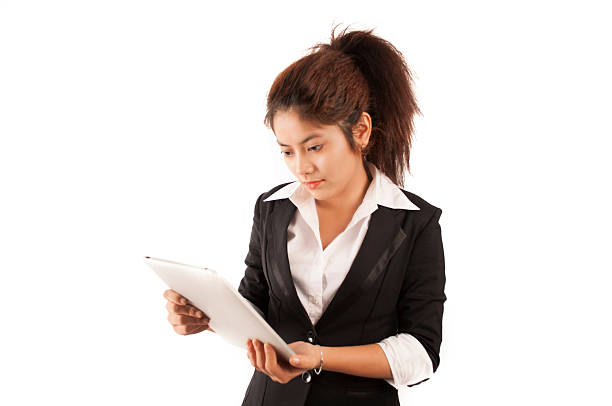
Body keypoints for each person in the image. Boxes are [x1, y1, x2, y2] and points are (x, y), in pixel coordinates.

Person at [163, 24, 446, 406]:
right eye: (287, 151)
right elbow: (256, 308)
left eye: (314, 147)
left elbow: (421, 352)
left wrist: (321, 357)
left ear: (360, 130)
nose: (301, 167)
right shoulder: (273, 208)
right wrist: (206, 318)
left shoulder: (414, 222)